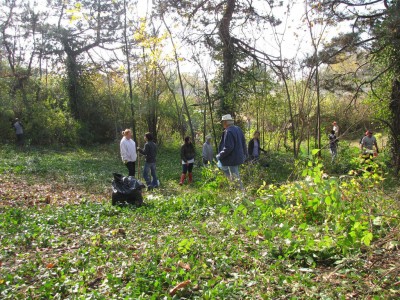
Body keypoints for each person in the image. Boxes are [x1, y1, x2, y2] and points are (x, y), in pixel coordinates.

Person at [216, 114, 247, 190]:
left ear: (226, 122)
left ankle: (241, 194)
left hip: (231, 159)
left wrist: (219, 155)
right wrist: (245, 154)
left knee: (235, 177)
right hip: (238, 157)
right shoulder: (238, 129)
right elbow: (243, 142)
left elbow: (228, 147)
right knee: (231, 174)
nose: (222, 124)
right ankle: (233, 190)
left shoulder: (228, 131)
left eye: (223, 122)